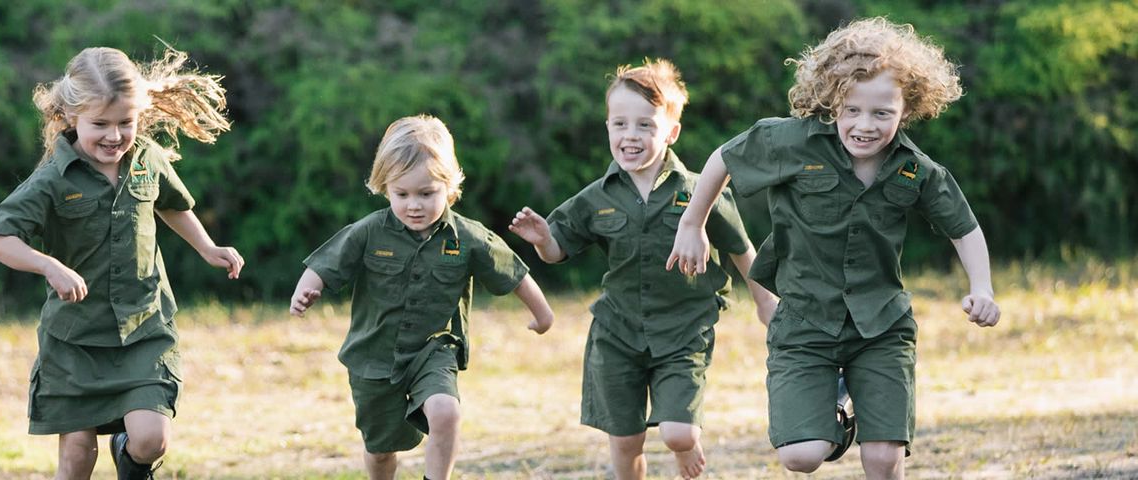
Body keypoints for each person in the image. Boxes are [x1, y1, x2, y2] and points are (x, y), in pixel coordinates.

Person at [665, 17, 1002, 480]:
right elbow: (724, 157)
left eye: (882, 113)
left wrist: (981, 287)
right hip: (804, 320)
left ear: (907, 109)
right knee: (802, 456)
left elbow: (964, 228)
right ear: (832, 102)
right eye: (852, 111)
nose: (866, 125)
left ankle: (870, 404)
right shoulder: (792, 141)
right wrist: (692, 222)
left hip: (881, 324)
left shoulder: (916, 170)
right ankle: (842, 406)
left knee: (884, 462)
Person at [509, 59, 776, 479]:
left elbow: (741, 248)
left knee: (677, 432)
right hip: (617, 334)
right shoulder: (595, 197)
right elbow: (559, 250)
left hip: (684, 331)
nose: (630, 136)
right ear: (609, 128)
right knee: (625, 440)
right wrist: (543, 239)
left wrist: (765, 301)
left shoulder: (697, 191)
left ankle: (687, 445)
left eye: (645, 125)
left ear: (671, 132)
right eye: (620, 124)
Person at [0, 46, 242, 480]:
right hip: (76, 338)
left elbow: (172, 205)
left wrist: (208, 248)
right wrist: (49, 266)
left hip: (143, 327)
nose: (114, 135)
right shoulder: (51, 179)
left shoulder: (146, 159)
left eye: (126, 122)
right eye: (99, 124)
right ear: (70, 118)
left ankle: (129, 454)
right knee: (77, 457)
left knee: (151, 439)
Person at [289, 115, 555, 480]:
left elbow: (514, 272)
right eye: (402, 194)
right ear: (385, 188)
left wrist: (543, 315)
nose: (414, 205)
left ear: (449, 187)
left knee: (446, 411)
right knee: (381, 452)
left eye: (426, 193)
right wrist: (307, 288)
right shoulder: (369, 232)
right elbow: (325, 264)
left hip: (434, 351)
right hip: (374, 357)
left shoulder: (467, 237)